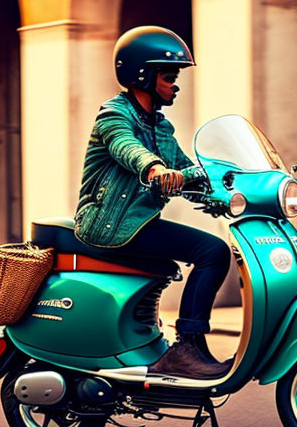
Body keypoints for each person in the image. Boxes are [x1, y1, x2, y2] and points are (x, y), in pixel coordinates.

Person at [74, 26, 233, 380]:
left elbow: (190, 170)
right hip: (109, 224)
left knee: (212, 251)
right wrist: (153, 167)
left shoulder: (160, 128)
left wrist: (228, 185)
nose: (175, 84)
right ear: (142, 75)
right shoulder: (113, 114)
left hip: (138, 224)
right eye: (168, 76)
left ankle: (190, 350)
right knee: (212, 252)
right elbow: (124, 147)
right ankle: (187, 347)